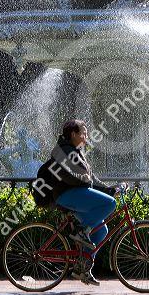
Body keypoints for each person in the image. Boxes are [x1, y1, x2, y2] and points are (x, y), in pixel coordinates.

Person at [50, 119, 117, 286]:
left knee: (101, 231)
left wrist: (109, 189)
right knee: (110, 204)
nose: (86, 136)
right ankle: (82, 230)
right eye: (83, 133)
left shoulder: (76, 151)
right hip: (66, 194)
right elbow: (67, 176)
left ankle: (83, 269)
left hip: (76, 193)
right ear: (73, 134)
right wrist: (84, 181)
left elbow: (91, 178)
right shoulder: (63, 151)